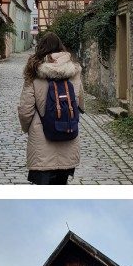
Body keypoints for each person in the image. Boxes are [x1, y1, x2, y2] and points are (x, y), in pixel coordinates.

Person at [18, 31, 84, 185]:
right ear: (61, 48)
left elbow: (25, 109)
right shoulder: (73, 70)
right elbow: (79, 101)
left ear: (40, 49)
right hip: (67, 134)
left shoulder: (34, 71)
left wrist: (28, 128)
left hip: (42, 141)